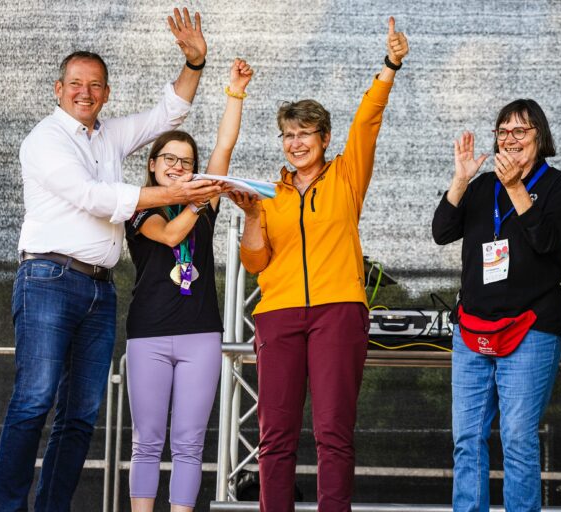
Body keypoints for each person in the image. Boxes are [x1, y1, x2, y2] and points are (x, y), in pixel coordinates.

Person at [0, 8, 222, 511]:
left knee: (80, 414)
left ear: (107, 93)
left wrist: (195, 63)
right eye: (76, 83)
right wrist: (173, 192)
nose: (85, 92)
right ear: (58, 89)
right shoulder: (45, 140)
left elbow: (167, 115)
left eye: (95, 85)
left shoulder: (110, 136)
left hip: (100, 288)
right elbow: (94, 196)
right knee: (34, 400)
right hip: (48, 277)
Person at [230, 17, 408, 512]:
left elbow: (367, 119)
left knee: (333, 433)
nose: (295, 142)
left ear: (325, 138)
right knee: (275, 436)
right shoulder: (269, 194)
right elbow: (255, 262)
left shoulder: (347, 177)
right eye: (288, 134)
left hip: (338, 312)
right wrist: (250, 218)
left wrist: (390, 65)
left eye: (305, 133)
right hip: (279, 314)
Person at [432, 100, 561, 511]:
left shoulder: (560, 186)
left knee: (517, 439)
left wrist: (516, 187)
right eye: (503, 132)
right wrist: (461, 179)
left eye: (520, 131)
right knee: (467, 439)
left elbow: (547, 242)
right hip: (472, 331)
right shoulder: (480, 187)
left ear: (540, 138)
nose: (510, 139)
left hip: (530, 329)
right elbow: (442, 232)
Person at [124, 58, 253, 512]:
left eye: (188, 162)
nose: (179, 167)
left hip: (200, 333)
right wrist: (200, 199)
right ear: (153, 165)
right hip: (148, 335)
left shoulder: (204, 203)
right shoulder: (140, 210)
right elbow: (172, 234)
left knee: (189, 442)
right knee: (147, 441)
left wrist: (234, 93)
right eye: (170, 160)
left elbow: (224, 148)